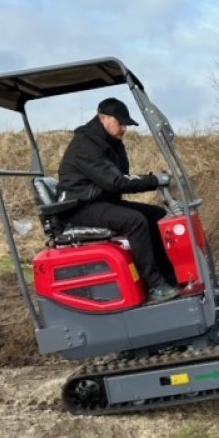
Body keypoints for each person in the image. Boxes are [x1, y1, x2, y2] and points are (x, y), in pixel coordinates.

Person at [57, 97, 180, 304]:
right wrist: (152, 181)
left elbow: (122, 176)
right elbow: (115, 182)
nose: (124, 128)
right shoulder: (85, 145)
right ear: (103, 118)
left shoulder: (109, 143)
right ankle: (155, 286)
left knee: (155, 214)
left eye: (126, 125)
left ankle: (169, 277)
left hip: (99, 201)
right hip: (79, 207)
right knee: (135, 221)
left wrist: (151, 179)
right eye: (120, 123)